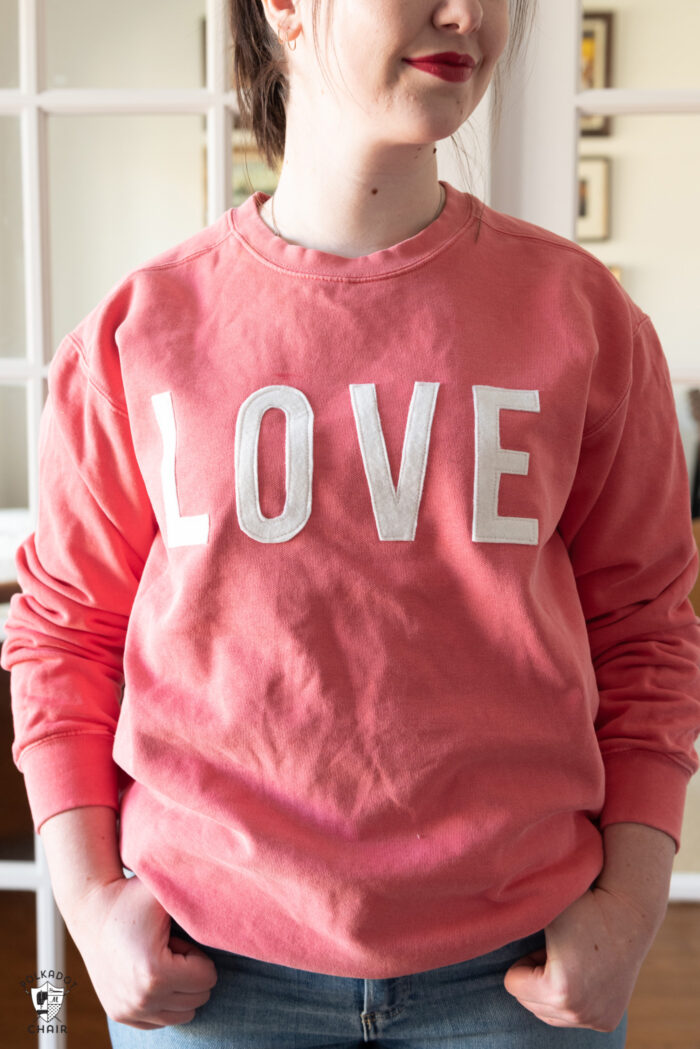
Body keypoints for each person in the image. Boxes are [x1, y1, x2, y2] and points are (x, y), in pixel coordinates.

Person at [2, 0, 700, 1046]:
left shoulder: (583, 316)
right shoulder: (138, 332)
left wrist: (636, 902)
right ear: (282, 4)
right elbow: (64, 634)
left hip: (516, 978)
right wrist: (92, 900)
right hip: (210, 981)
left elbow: (649, 628)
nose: (468, 13)